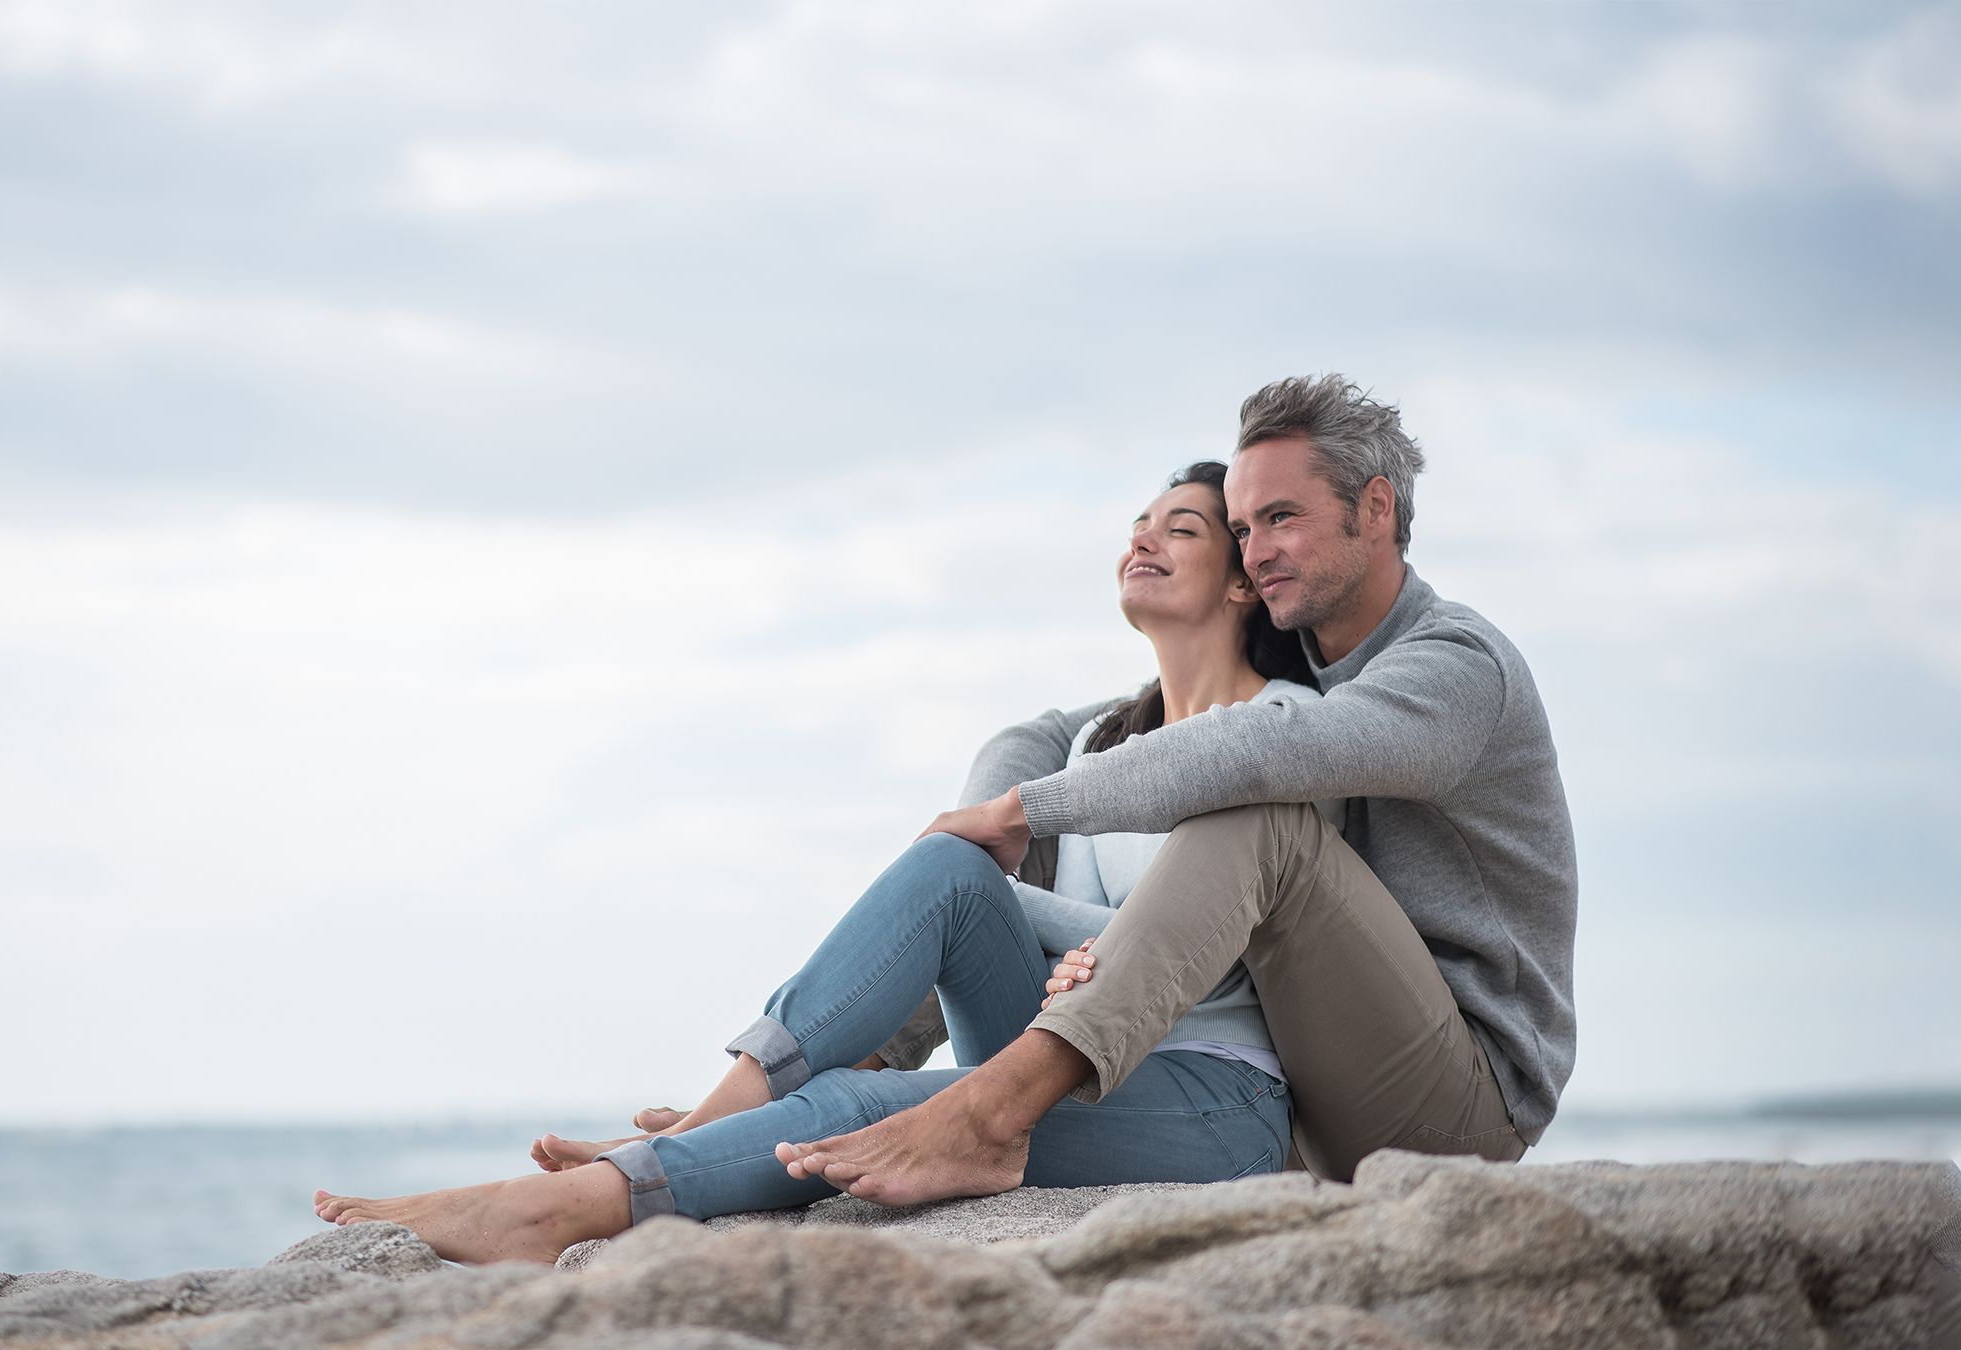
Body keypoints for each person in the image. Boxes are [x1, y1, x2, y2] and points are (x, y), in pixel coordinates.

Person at [313, 457, 1333, 1263]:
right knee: (947, 868)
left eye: (1182, 528)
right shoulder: (1091, 755)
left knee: (852, 1099)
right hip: (1056, 1063)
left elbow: (1233, 944)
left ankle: (551, 1213)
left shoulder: (1279, 728)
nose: (1144, 539)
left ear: (1245, 583)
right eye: (1137, 526)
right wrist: (1079, 953)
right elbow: (1074, 951)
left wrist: (1096, 953)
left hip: (1213, 1096)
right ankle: (704, 1121)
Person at [778, 373, 1576, 1203]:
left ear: (1376, 509)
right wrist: (990, 818)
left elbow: (1249, 751)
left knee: (1259, 821)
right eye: (1242, 527)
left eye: (1282, 518)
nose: (1258, 549)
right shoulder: (1307, 652)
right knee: (967, 867)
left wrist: (1022, 811)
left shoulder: (1453, 669)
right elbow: (1066, 730)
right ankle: (812, 1071)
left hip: (1460, 1103)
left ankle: (992, 1109)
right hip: (1313, 1072)